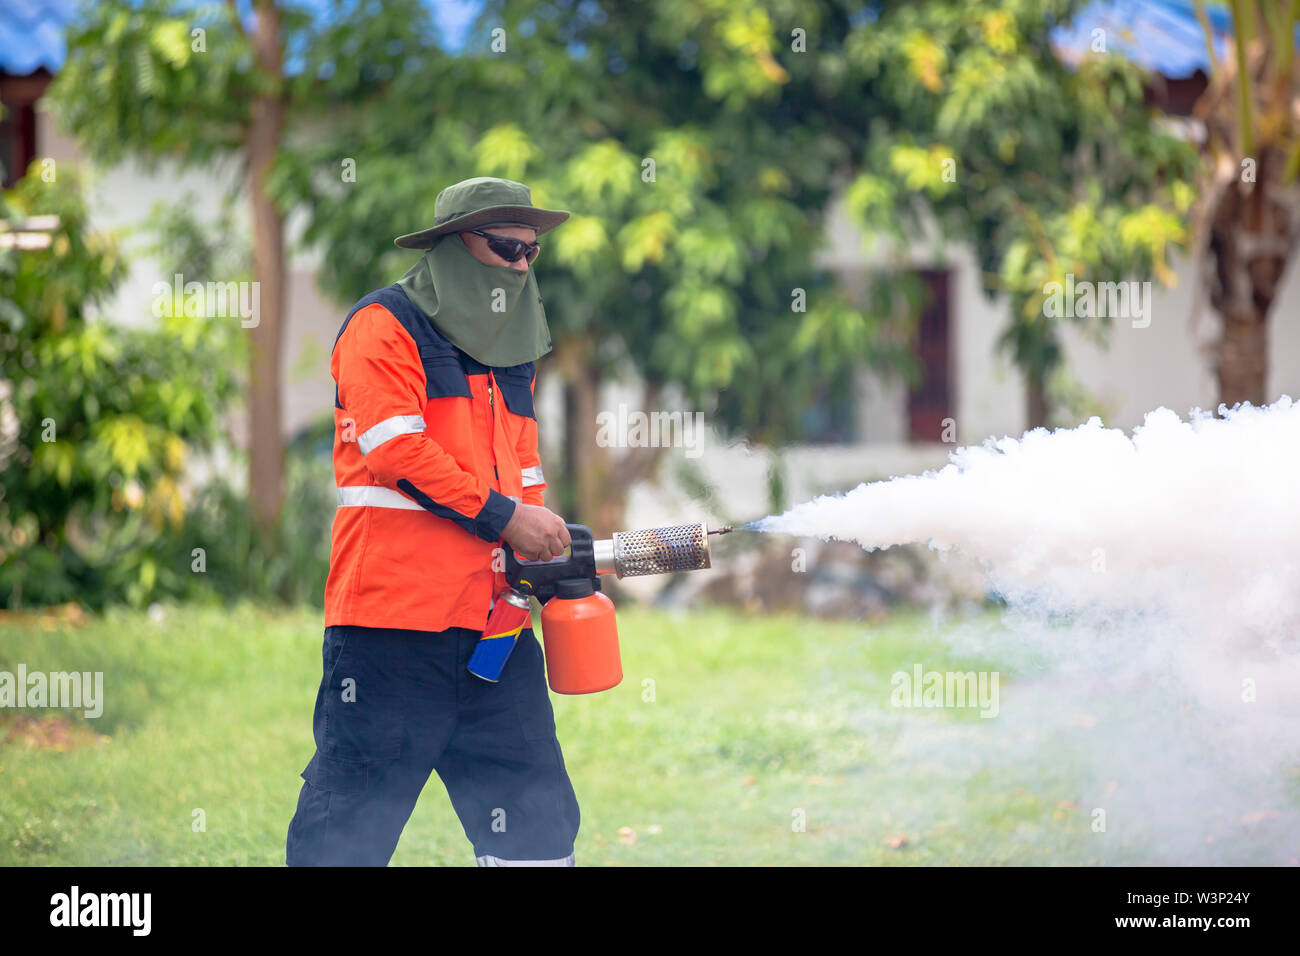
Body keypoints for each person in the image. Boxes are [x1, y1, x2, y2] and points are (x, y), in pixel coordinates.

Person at [285, 176, 581, 866]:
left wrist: (547, 557)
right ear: (452, 246)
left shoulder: (511, 356)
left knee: (538, 823)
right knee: (346, 830)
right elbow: (396, 452)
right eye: (506, 246)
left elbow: (525, 473)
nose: (521, 264)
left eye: (531, 252)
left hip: (497, 631)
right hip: (390, 632)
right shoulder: (381, 326)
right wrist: (509, 519)